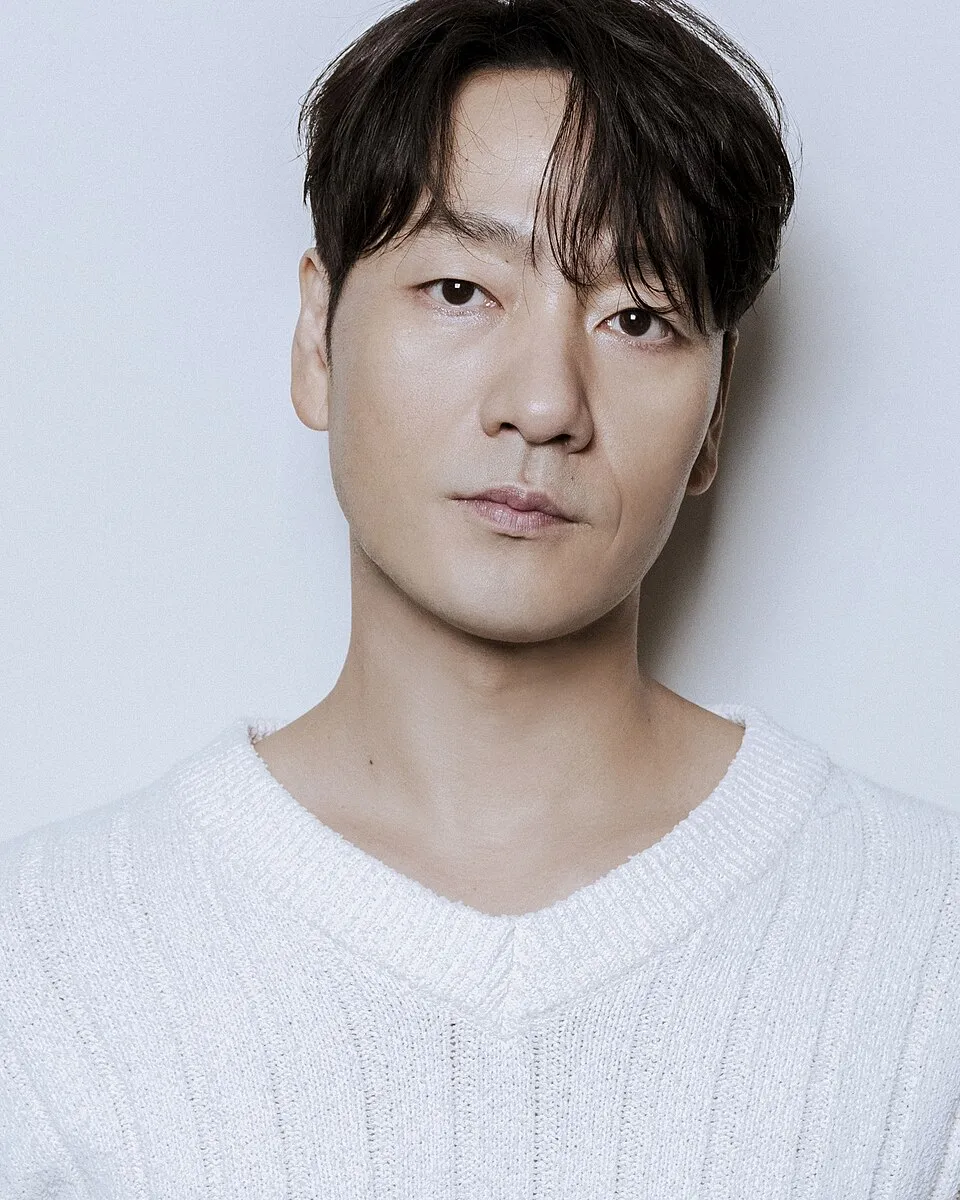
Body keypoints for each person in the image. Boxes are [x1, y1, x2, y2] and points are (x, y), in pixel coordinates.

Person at [1, 0, 958, 1193]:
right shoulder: (46, 967)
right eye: (461, 290)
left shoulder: (926, 950)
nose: (544, 403)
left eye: (637, 318)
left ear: (718, 411)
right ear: (317, 339)